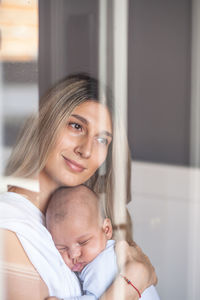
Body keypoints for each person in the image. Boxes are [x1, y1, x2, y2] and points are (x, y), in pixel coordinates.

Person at [0, 74, 157, 300]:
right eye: (76, 126)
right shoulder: (8, 225)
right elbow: (142, 273)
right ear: (46, 125)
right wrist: (132, 283)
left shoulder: (87, 215)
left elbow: (150, 275)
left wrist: (140, 275)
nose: (86, 150)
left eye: (102, 140)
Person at [46, 185, 160, 300]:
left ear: (107, 230)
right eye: (62, 248)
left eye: (83, 242)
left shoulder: (102, 261)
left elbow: (95, 298)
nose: (74, 255)